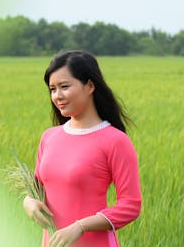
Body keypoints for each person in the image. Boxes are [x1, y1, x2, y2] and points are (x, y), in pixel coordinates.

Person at [23, 50, 142, 247]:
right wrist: (28, 202)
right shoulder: (49, 137)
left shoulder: (115, 141)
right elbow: (37, 189)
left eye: (64, 87)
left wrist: (80, 226)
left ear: (89, 86)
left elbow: (130, 206)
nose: (57, 96)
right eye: (52, 89)